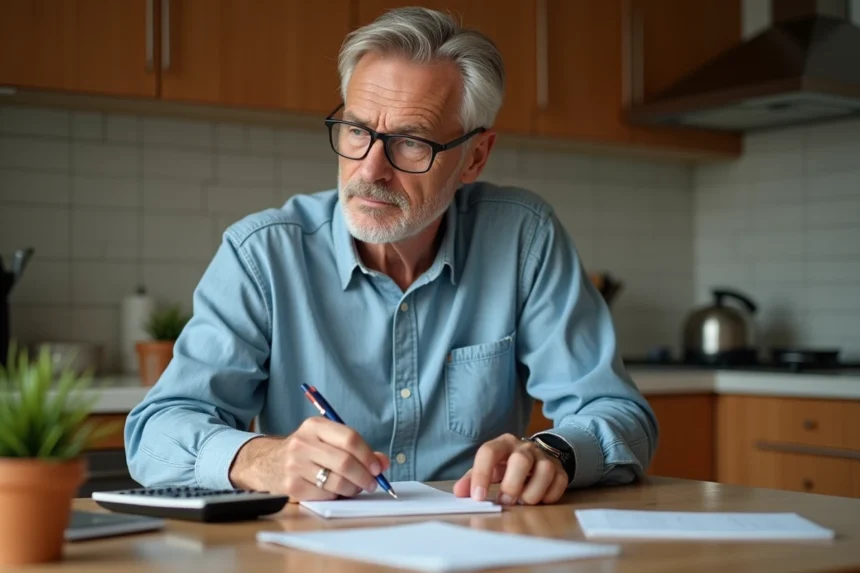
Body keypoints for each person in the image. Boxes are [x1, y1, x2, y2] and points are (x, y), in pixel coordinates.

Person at [125, 6, 658, 506]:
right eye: (357, 131)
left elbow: (619, 414)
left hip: (476, 544)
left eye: (410, 142)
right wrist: (260, 460)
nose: (370, 170)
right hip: (312, 552)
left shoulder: (523, 238)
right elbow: (155, 432)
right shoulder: (263, 255)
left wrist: (555, 452)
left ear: (474, 157)